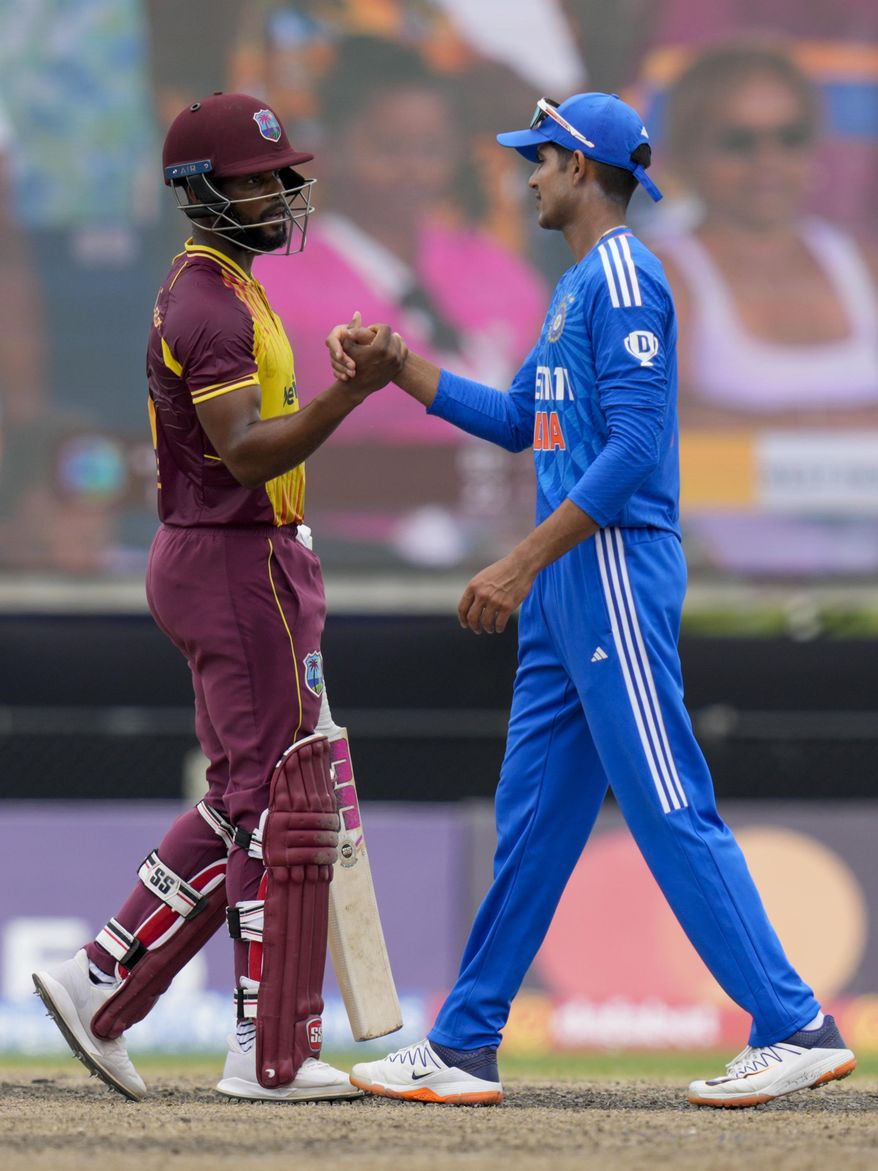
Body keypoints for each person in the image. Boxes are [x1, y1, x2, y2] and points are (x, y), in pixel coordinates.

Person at [328, 92, 857, 1107]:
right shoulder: (576, 285)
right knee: (531, 822)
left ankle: (793, 1023)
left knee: (664, 798)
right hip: (568, 587)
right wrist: (400, 368)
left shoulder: (623, 276)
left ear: (577, 167)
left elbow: (633, 451)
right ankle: (464, 1043)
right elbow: (516, 418)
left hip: (608, 570)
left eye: (538, 159)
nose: (526, 176)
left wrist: (520, 561)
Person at [31, 92, 405, 1102]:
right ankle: (266, 1049)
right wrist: (349, 393)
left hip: (238, 557)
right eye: (255, 179)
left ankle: (101, 981)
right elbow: (243, 454)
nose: (281, 191)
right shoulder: (208, 301)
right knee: (279, 803)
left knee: (251, 799)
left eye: (282, 174)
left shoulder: (226, 285)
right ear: (201, 192)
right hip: (237, 560)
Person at [650, 42, 878, 575]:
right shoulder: (653, 276)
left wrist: (768, 429)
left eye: (789, 137)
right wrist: (837, 427)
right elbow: (642, 419)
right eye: (738, 142)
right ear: (685, 152)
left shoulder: (864, 264)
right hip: (717, 597)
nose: (768, 161)